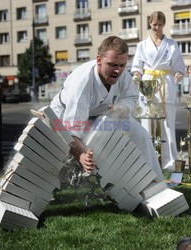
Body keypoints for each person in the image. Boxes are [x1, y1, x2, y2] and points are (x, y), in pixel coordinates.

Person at [50, 36, 164, 180]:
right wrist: (82, 156)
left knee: (141, 135)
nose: (118, 71)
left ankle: (156, 184)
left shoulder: (122, 75)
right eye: (112, 65)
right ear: (99, 60)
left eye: (122, 65)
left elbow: (131, 97)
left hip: (99, 116)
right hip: (63, 117)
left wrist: (122, 108)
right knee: (65, 161)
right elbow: (72, 129)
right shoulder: (82, 83)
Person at [131, 11, 186, 171]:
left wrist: (178, 73)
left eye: (160, 25)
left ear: (164, 24)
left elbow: (178, 65)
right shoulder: (142, 45)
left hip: (165, 84)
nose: (157, 28)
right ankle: (149, 160)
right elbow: (137, 65)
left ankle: (170, 162)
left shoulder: (171, 44)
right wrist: (136, 74)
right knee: (147, 124)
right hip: (148, 84)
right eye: (154, 24)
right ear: (150, 23)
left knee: (168, 124)